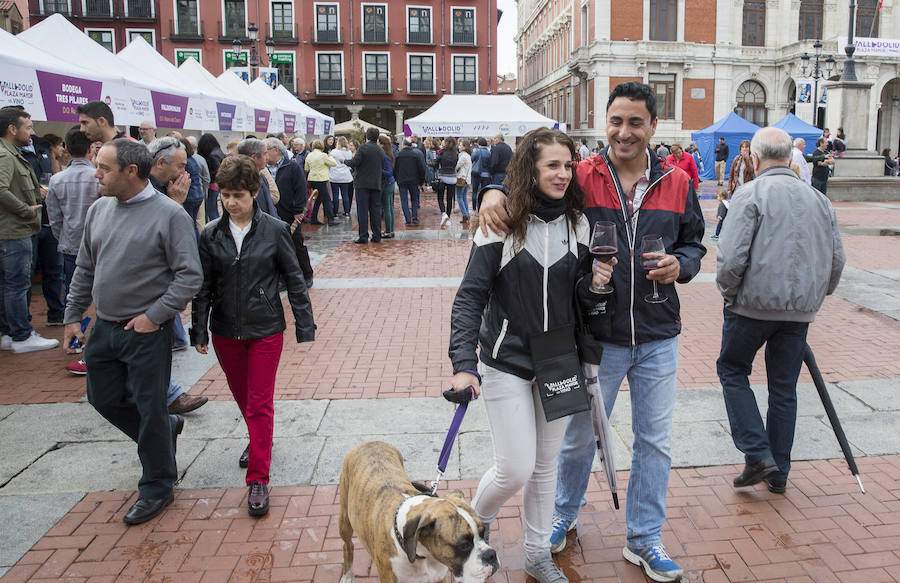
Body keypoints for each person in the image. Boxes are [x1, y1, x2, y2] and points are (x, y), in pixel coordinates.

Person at [478, 81, 706, 582]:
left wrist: (680, 264)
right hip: (597, 336)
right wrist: (489, 190)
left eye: (636, 122)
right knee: (578, 437)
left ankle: (644, 538)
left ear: (653, 126)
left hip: (657, 333)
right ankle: (561, 513)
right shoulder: (581, 174)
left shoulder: (678, 180)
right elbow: (524, 183)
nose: (625, 132)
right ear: (607, 123)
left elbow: (695, 243)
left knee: (654, 441)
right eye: (617, 121)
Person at [449, 127, 605, 583]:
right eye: (551, 165)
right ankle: (473, 527)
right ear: (529, 170)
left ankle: (538, 554)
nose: (562, 173)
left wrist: (597, 287)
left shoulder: (579, 223)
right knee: (515, 468)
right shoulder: (501, 222)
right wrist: (463, 364)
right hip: (507, 360)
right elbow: (469, 297)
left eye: (567, 165)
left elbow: (582, 298)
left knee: (544, 468)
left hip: (560, 362)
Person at [63, 138, 202, 525]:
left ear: (131, 171)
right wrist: (73, 314)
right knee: (103, 398)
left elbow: (189, 276)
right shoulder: (99, 210)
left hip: (145, 331)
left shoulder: (169, 215)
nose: (96, 174)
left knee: (149, 405)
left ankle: (157, 484)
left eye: (104, 168)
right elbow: (85, 268)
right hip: (105, 328)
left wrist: (154, 316)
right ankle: (164, 429)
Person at [716, 126, 845, 496]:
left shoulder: (750, 193)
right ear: (790, 159)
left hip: (752, 306)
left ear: (754, 160)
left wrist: (729, 292)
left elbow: (731, 258)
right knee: (784, 389)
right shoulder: (819, 200)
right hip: (798, 311)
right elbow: (837, 259)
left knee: (732, 369)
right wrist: (816, 296)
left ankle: (758, 453)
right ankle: (779, 470)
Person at [191, 155, 315, 516]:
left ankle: (258, 478)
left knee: (260, 402)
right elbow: (203, 286)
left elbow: (295, 279)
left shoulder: (275, 230)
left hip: (265, 329)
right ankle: (259, 440)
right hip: (225, 331)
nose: (231, 202)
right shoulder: (210, 233)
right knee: (244, 398)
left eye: (238, 195)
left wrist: (304, 325)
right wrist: (198, 327)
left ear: (254, 193)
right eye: (225, 195)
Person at [0, 107, 59, 353]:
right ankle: (22, 336)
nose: (32, 132)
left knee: (9, 285)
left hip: (15, 229)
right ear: (12, 129)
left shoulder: (10, 153)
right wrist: (26, 209)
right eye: (28, 127)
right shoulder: (5, 155)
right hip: (15, 231)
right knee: (16, 285)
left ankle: (9, 333)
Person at [265, 137, 314, 288]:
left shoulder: (292, 167)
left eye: (266, 151)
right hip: (272, 213)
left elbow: (300, 189)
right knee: (276, 247)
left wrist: (299, 210)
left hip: (290, 213)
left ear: (275, 150)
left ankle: (306, 274)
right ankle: (283, 278)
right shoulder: (264, 169)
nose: (264, 155)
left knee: (296, 243)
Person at [346, 127, 385, 244]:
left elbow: (354, 162)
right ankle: (376, 235)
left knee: (362, 211)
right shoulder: (380, 150)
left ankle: (363, 235)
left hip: (362, 184)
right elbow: (382, 165)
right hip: (376, 183)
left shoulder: (363, 148)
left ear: (366, 136)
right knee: (375, 210)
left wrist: (344, 161)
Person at [236, 138, 278, 217]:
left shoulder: (261, 175)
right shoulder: (241, 180)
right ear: (254, 157)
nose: (267, 158)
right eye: (265, 154)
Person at [304, 140, 339, 226]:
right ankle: (330, 219)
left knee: (318, 199)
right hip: (321, 179)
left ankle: (313, 218)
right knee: (326, 199)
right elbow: (334, 163)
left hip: (312, 178)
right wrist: (330, 156)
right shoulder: (323, 155)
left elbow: (306, 168)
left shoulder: (309, 155)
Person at [393, 138, 426, 226]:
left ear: (403, 145)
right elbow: (421, 169)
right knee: (414, 199)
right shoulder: (415, 155)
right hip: (414, 181)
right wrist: (421, 181)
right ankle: (414, 217)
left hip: (402, 181)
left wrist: (396, 179)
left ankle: (407, 219)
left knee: (404, 200)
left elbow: (395, 169)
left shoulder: (399, 155)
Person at [197, 134, 225, 221]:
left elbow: (215, 172)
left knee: (212, 209)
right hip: (220, 185)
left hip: (213, 185)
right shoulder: (219, 152)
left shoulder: (211, 156)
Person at [436, 136, 459, 227]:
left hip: (442, 176)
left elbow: (436, 164)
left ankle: (443, 213)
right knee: (450, 198)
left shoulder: (442, 152)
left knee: (440, 197)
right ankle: (448, 216)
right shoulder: (456, 154)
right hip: (453, 177)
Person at [377, 135, 397, 238]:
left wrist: (378, 170)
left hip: (387, 183)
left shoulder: (385, 156)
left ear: (382, 144)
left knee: (387, 208)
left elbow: (389, 172)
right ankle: (390, 230)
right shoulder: (389, 154)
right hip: (390, 183)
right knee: (389, 208)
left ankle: (389, 230)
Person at [329, 136, 354, 217]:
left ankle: (335, 212)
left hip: (335, 176)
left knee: (335, 195)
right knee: (345, 195)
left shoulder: (334, 152)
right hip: (345, 176)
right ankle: (347, 212)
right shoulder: (349, 152)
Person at [455, 139, 473, 227]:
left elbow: (457, 166)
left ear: (465, 147)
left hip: (461, 178)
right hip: (466, 179)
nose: (459, 147)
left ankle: (465, 215)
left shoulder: (463, 156)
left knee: (459, 197)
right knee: (464, 197)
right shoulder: (468, 156)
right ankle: (466, 215)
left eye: (461, 145)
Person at [470, 137, 491, 210]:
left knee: (475, 192)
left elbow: (471, 159)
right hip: (486, 174)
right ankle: (482, 208)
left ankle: (474, 209)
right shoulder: (489, 152)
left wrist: (473, 152)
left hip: (477, 173)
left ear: (479, 144)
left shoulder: (477, 151)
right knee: (484, 193)